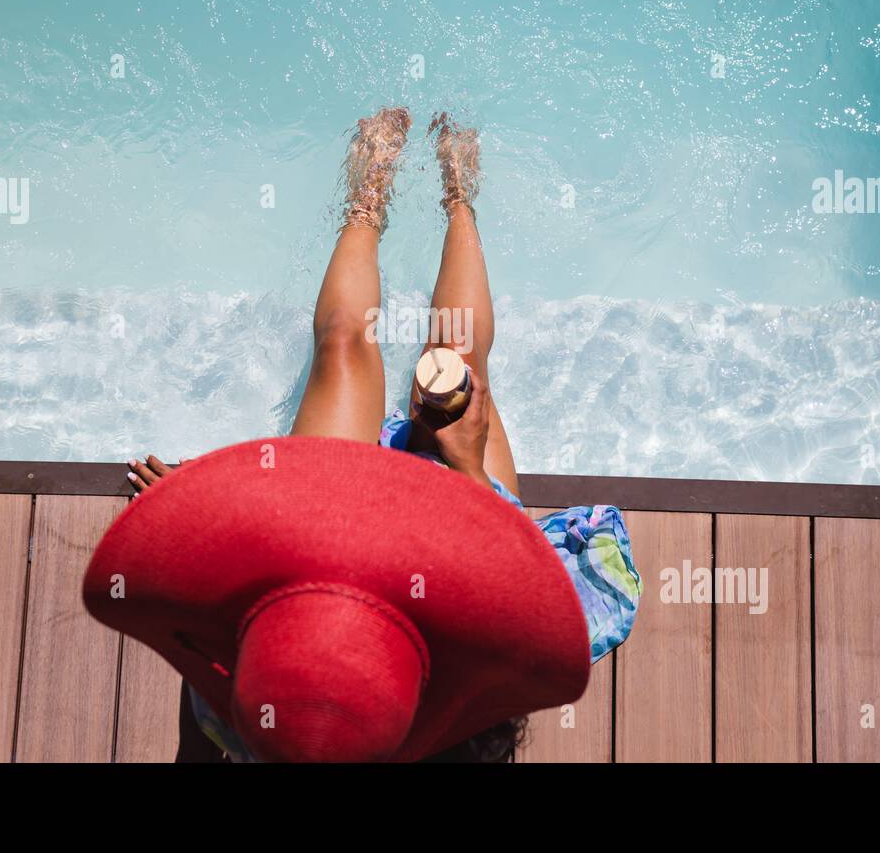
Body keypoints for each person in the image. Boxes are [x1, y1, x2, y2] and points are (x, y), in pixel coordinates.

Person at [111, 109, 642, 763]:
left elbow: (211, 663)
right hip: (443, 591)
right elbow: (519, 590)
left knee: (342, 347)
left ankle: (369, 201)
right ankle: (458, 198)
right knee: (458, 362)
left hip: (324, 560)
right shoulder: (455, 731)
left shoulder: (259, 721)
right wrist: (467, 468)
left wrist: (198, 514)